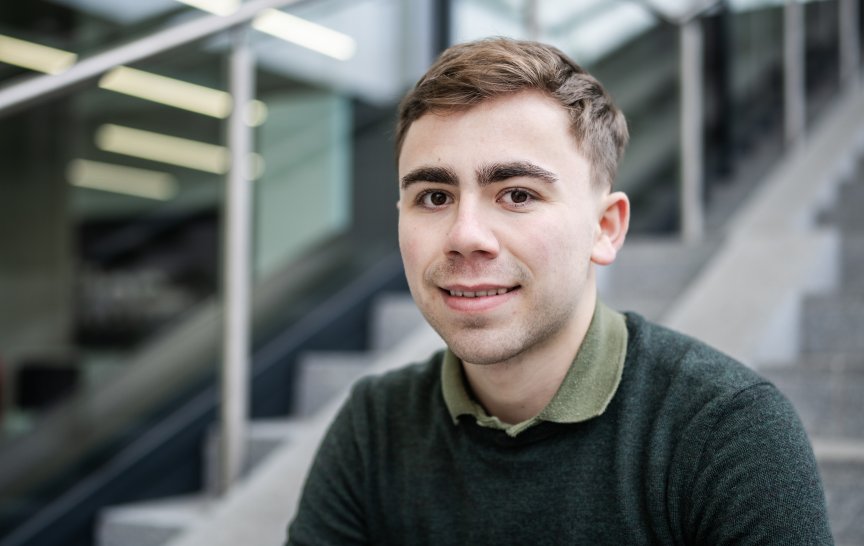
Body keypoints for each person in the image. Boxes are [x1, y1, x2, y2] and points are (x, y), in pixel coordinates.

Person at [286, 37, 832, 545]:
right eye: (433, 197)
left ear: (606, 228)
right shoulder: (374, 425)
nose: (466, 236)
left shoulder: (725, 430)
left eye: (517, 194)